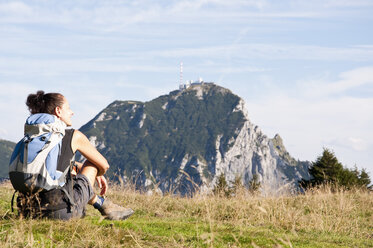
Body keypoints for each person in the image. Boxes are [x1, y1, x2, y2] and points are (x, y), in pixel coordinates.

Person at [17, 90, 134, 220]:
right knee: (92, 163)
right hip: (60, 213)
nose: (72, 112)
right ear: (58, 111)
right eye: (68, 108)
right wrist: (96, 174)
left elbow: (53, 166)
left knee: (68, 173)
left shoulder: (31, 138)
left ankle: (105, 206)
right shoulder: (73, 136)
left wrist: (76, 169)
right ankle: (105, 205)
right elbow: (104, 165)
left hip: (27, 211)